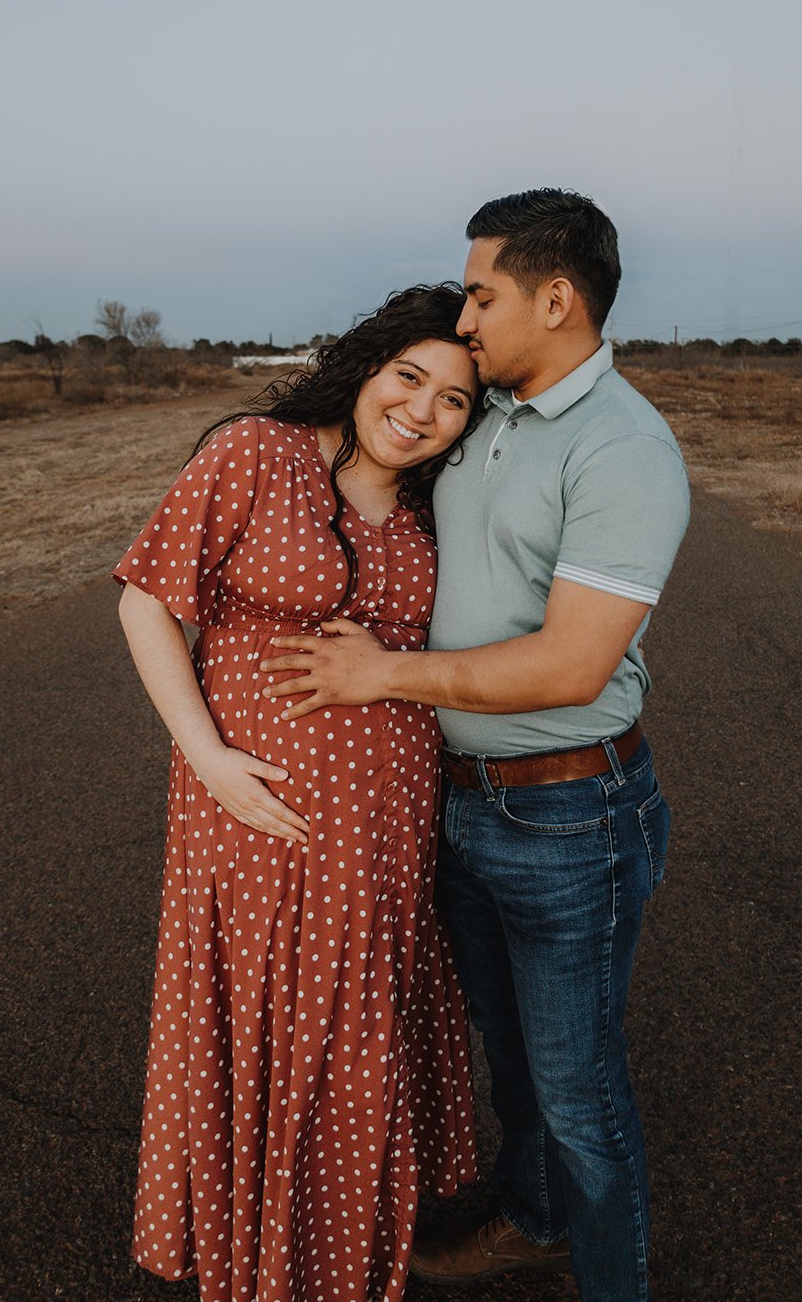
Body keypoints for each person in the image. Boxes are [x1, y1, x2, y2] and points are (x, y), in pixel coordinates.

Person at [262, 189, 690, 1302]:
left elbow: (570, 665)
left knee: (579, 1097)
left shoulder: (623, 448)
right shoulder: (490, 408)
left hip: (567, 815)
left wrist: (383, 675)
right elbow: (378, 441)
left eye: (485, 294)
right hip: (460, 802)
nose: (466, 317)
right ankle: (535, 1219)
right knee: (511, 1063)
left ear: (556, 299)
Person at [114, 283, 481, 1302]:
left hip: (389, 826)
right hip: (255, 810)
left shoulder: (429, 510)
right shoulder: (256, 453)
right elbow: (147, 601)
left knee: (355, 1037)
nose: (420, 410)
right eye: (409, 376)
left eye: (453, 398)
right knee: (275, 1026)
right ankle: (263, 1266)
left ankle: (344, 1261)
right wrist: (207, 757)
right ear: (367, 364)